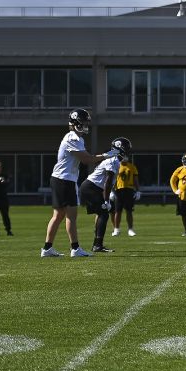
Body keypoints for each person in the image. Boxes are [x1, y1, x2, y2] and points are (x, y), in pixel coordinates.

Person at [42, 108, 124, 258]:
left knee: (59, 215)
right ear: (75, 123)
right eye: (83, 122)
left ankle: (47, 248)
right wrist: (106, 155)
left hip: (62, 179)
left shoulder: (77, 138)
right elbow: (87, 159)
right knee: (69, 216)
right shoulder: (72, 138)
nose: (86, 125)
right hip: (64, 180)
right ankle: (75, 249)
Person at [79, 137, 131, 253]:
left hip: (93, 187)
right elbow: (108, 181)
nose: (127, 151)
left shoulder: (115, 160)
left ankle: (97, 243)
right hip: (91, 187)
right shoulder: (113, 160)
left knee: (101, 213)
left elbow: (108, 182)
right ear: (119, 148)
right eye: (126, 148)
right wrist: (106, 200)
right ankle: (98, 245)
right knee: (104, 214)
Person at [111, 154, 140, 237]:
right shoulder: (117, 166)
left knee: (129, 210)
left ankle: (130, 229)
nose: (124, 158)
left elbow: (135, 179)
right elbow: (113, 179)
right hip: (118, 190)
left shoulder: (132, 166)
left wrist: (138, 191)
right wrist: (111, 191)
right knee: (117, 211)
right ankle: (116, 229)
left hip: (129, 189)